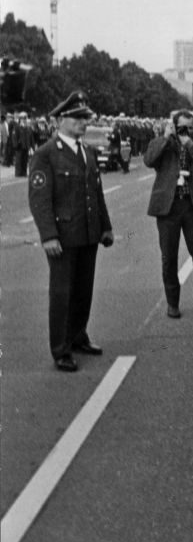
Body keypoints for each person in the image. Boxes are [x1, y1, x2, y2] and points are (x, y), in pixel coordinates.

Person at [27, 91, 114, 372]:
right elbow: (40, 199)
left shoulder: (86, 151)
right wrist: (48, 235)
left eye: (85, 118)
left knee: (83, 290)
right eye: (77, 118)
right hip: (63, 236)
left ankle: (78, 336)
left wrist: (106, 227)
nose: (83, 123)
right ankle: (61, 349)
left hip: (88, 233)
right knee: (62, 293)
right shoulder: (45, 154)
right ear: (60, 120)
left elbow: (96, 193)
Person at [143, 109, 193, 319]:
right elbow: (149, 160)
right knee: (169, 257)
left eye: (189, 127)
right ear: (173, 125)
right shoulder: (163, 143)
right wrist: (166, 137)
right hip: (168, 208)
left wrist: (189, 143)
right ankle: (172, 302)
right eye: (181, 127)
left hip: (191, 206)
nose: (185, 131)